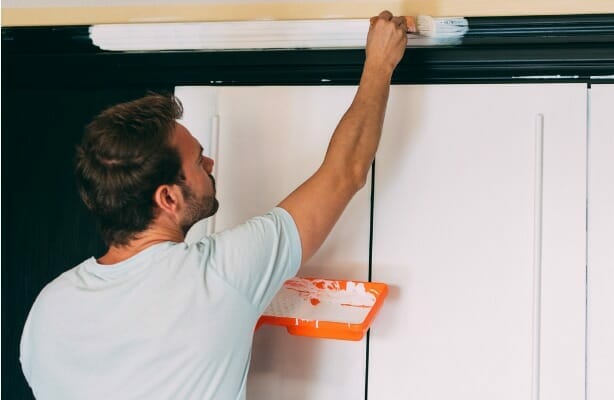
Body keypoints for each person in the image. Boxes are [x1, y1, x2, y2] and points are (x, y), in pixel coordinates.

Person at [19, 10, 408, 399]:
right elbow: (346, 171)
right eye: (198, 160)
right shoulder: (220, 276)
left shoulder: (48, 310)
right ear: (168, 197)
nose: (210, 164)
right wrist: (379, 64)